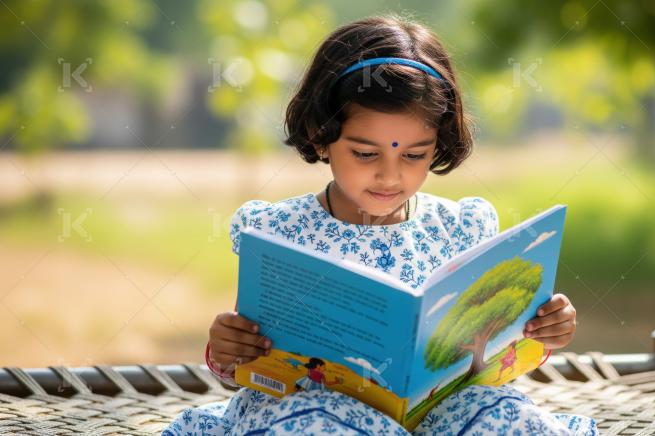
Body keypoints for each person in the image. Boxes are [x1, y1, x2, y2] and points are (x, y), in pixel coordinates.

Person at [164, 15, 596, 435]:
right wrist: (227, 351)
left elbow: (494, 360)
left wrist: (541, 330)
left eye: (413, 155)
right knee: (313, 421)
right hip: (312, 417)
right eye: (366, 154)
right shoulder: (279, 233)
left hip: (440, 421)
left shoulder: (461, 229)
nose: (391, 177)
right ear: (320, 135)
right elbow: (246, 364)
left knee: (505, 413)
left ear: (438, 144)